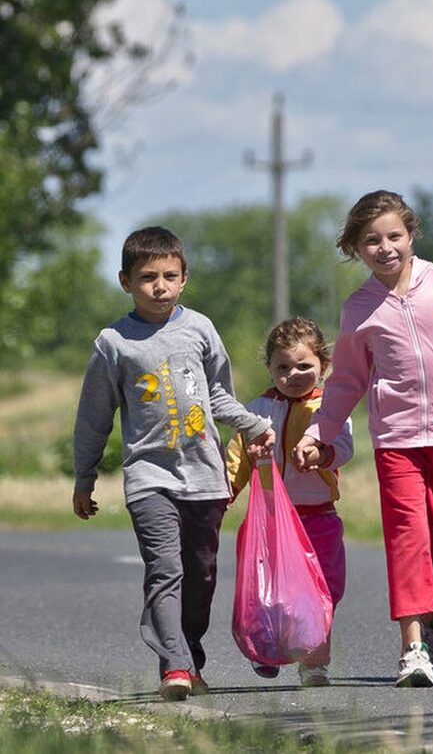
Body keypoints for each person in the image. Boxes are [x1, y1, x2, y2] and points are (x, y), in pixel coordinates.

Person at [293, 190, 433, 688]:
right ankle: (412, 648)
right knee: (408, 540)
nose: (385, 248)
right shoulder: (358, 309)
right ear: (355, 248)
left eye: (393, 236)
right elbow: (345, 382)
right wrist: (318, 433)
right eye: (371, 241)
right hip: (396, 443)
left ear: (410, 235)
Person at [71, 226, 275, 702]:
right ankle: (175, 667)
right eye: (147, 277)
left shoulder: (200, 328)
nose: (159, 286)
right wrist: (85, 476)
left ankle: (189, 657)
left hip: (205, 476)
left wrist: (251, 424)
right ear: (125, 281)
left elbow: (218, 392)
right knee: (165, 570)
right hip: (149, 477)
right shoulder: (114, 342)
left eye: (169, 275)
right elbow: (94, 416)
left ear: (184, 279)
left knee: (201, 574)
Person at [225, 317, 354, 688]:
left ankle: (314, 662)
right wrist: (225, 493)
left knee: (322, 591)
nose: (293, 374)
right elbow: (238, 457)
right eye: (282, 367)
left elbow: (344, 448)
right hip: (270, 519)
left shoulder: (330, 406)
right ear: (269, 368)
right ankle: (267, 646)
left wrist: (321, 454)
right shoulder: (257, 409)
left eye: (304, 366)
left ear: (323, 367)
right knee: (271, 591)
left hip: (318, 516)